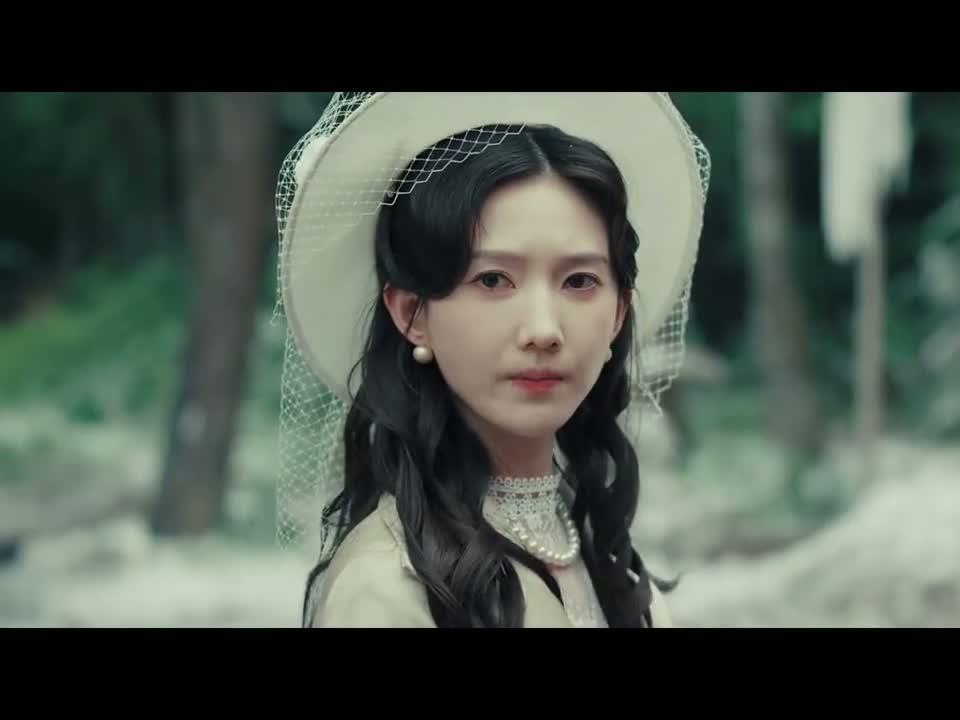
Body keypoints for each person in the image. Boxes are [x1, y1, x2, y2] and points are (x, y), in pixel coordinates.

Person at [271, 93, 710, 628]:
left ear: (619, 312)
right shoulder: (387, 587)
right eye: (494, 280)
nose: (543, 330)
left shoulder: (605, 559)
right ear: (411, 313)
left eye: (579, 281)